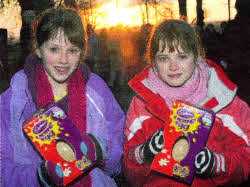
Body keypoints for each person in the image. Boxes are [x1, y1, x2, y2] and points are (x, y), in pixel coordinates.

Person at [0, 8, 125, 187]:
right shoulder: (15, 99)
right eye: (54, 49)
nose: (63, 60)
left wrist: (100, 150)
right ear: (38, 48)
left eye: (72, 50)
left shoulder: (96, 89)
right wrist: (39, 176)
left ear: (83, 51)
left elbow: (119, 143)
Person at [123, 19, 249, 186]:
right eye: (163, 58)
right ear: (153, 61)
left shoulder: (223, 100)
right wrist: (145, 153)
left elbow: (245, 159)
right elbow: (129, 168)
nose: (173, 66)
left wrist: (215, 164)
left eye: (182, 56)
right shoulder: (141, 104)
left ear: (196, 56)